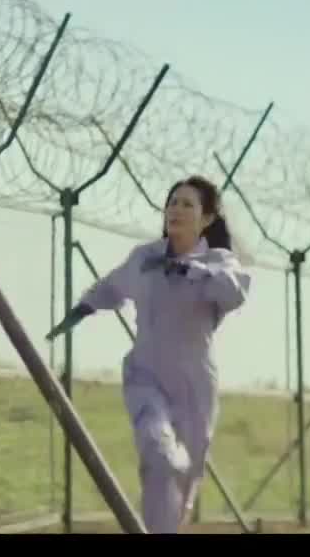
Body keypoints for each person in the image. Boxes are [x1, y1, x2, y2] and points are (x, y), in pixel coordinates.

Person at [46, 175, 251, 533]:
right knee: (159, 458)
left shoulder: (219, 262)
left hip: (194, 388)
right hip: (146, 377)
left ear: (206, 219)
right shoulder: (146, 257)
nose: (176, 210)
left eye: (187, 204)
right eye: (172, 202)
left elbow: (233, 293)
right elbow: (112, 286)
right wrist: (80, 311)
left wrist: (191, 269)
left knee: (184, 480)